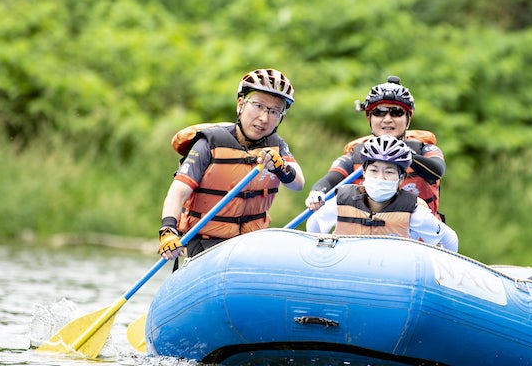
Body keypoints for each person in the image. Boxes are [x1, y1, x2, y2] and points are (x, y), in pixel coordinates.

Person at [159, 68, 305, 261]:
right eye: (259, 106)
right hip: (206, 244)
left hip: (251, 243)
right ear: (240, 105)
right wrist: (168, 229)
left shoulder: (277, 146)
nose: (264, 118)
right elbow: (178, 191)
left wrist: (280, 168)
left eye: (274, 111)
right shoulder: (208, 143)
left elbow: (298, 183)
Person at [304, 75, 446, 218]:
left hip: (417, 236)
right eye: (379, 112)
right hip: (369, 234)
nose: (388, 119)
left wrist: (402, 152)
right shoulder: (356, 154)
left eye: (396, 112)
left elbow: (437, 170)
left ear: (408, 119)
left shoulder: (424, 149)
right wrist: (317, 192)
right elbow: (330, 180)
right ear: (369, 117)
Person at [306, 135, 459, 251]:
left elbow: (450, 239)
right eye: (374, 170)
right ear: (364, 173)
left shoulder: (414, 212)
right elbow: (314, 224)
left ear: (401, 179)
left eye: (389, 172)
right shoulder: (342, 202)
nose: (380, 178)